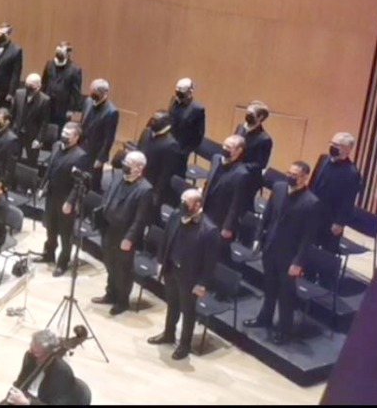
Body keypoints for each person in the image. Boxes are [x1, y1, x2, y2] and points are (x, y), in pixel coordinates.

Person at [243, 162, 322, 344]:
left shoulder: (311, 202)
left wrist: (298, 262)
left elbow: (308, 238)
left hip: (289, 255)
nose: (291, 177)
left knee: (286, 294)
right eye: (289, 172)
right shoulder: (278, 188)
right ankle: (265, 318)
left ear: (304, 178)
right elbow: (267, 217)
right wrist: (258, 238)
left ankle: (284, 329)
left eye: (295, 174)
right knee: (269, 287)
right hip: (270, 248)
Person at [148, 189, 220, 361]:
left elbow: (210, 263)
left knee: (188, 311)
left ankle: (185, 345)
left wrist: (202, 283)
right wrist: (160, 261)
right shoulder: (176, 215)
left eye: (185, 202)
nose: (182, 205)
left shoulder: (209, 230)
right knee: (172, 304)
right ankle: (168, 334)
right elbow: (166, 239)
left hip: (190, 277)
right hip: (171, 268)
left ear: (197, 204)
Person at [92, 151, 154, 316]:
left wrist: (129, 238)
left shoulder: (145, 189)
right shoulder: (118, 176)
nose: (125, 166)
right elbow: (108, 197)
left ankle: (122, 301)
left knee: (123, 269)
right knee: (109, 262)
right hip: (108, 228)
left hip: (124, 234)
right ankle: (110, 293)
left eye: (130, 164)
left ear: (139, 168)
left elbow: (140, 219)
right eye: (125, 162)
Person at [40, 123, 89, 276]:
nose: (64, 136)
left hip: (66, 199)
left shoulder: (80, 156)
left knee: (65, 234)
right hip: (52, 194)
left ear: (76, 137)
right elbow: (49, 169)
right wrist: (42, 186)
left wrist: (70, 202)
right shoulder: (56, 146)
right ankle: (49, 253)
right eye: (63, 132)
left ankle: (63, 262)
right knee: (51, 227)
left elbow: (78, 183)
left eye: (68, 134)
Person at [311, 132, 364, 252]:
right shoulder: (323, 159)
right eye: (332, 143)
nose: (332, 146)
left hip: (330, 218)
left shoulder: (352, 173)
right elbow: (313, 182)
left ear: (347, 149)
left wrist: (339, 223)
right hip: (313, 211)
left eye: (337, 145)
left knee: (324, 253)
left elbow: (348, 201)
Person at [202, 135, 260, 242]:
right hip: (205, 209)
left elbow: (236, 203)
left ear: (239, 151)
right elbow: (208, 183)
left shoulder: (242, 174)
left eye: (229, 147)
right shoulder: (216, 159)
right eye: (224, 145)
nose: (224, 149)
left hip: (221, 217)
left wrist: (227, 226)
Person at [4, 329, 78, 405]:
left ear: (50, 354)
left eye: (36, 352)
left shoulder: (63, 372)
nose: (31, 353)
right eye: (31, 348)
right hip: (26, 397)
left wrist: (27, 403)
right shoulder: (30, 356)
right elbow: (20, 382)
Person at [128, 110, 181, 208]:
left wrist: (156, 194)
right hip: (136, 179)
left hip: (151, 185)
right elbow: (137, 153)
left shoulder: (171, 145)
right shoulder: (146, 132)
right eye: (152, 119)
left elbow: (166, 173)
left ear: (165, 124)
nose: (152, 122)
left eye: (156, 121)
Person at [81, 78, 118, 192]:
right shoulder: (88, 101)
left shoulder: (111, 112)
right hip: (82, 146)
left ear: (104, 93)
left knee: (93, 182)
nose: (91, 93)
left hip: (95, 151)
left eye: (94, 91)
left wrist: (101, 158)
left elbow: (109, 138)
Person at [41, 41, 82, 131]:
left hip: (63, 107)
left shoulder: (75, 69)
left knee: (59, 129)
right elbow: (44, 83)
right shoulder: (49, 64)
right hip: (47, 103)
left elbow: (75, 92)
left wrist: (71, 109)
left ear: (68, 54)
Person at [13, 73, 52, 165]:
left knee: (31, 161)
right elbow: (13, 114)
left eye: (32, 87)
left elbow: (44, 122)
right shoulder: (19, 94)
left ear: (39, 86)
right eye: (27, 86)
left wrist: (39, 139)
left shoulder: (45, 100)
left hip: (33, 135)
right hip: (17, 132)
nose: (29, 89)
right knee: (14, 158)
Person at [168, 78, 206, 163]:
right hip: (168, 145)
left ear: (190, 92)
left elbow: (199, 135)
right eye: (177, 93)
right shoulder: (173, 100)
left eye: (181, 94)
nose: (178, 96)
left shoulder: (197, 109)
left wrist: (185, 152)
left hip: (181, 151)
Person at [236, 100, 274, 173]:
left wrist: (238, 167)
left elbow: (261, 164)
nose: (247, 115)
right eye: (247, 112)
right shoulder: (240, 127)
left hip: (246, 176)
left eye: (251, 114)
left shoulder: (265, 139)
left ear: (260, 117)